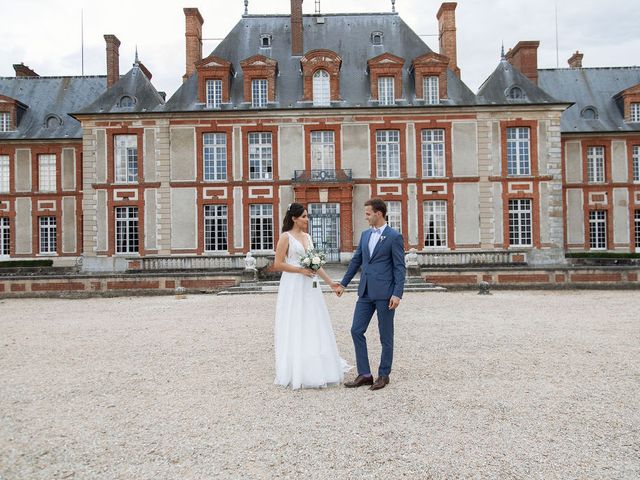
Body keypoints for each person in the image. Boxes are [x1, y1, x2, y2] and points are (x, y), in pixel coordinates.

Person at [272, 203, 349, 389]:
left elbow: (316, 264)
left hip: (310, 285)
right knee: (296, 321)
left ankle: (316, 365)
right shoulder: (285, 237)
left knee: (313, 320)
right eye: (304, 216)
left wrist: (331, 283)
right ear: (294, 218)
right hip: (293, 284)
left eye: (307, 216)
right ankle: (297, 368)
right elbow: (278, 264)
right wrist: (300, 270)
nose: (307, 219)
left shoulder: (307, 237)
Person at [336, 198, 406, 391]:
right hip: (365, 292)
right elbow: (356, 261)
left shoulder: (394, 236)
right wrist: (343, 283)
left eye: (368, 214)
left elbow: (400, 267)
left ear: (379, 213)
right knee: (356, 330)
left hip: (386, 294)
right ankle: (365, 374)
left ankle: (384, 375)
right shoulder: (365, 235)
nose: (365, 217)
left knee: (386, 336)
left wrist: (397, 294)